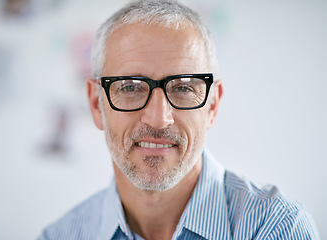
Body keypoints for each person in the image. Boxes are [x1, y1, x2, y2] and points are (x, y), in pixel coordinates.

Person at [37, 0, 319, 239]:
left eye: (183, 87)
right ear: (96, 103)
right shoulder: (61, 235)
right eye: (131, 87)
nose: (159, 119)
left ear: (212, 105)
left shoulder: (276, 228)